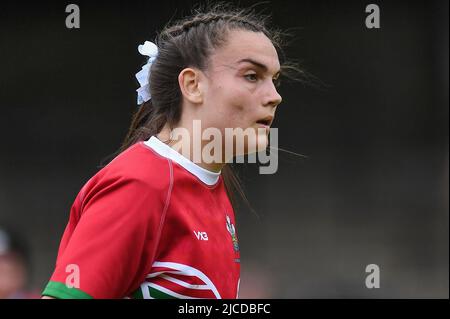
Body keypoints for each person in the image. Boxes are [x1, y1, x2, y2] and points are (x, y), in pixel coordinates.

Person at [42, 2, 289, 299]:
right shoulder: (142, 184)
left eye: (275, 81)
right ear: (192, 84)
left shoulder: (210, 186)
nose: (275, 97)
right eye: (252, 76)